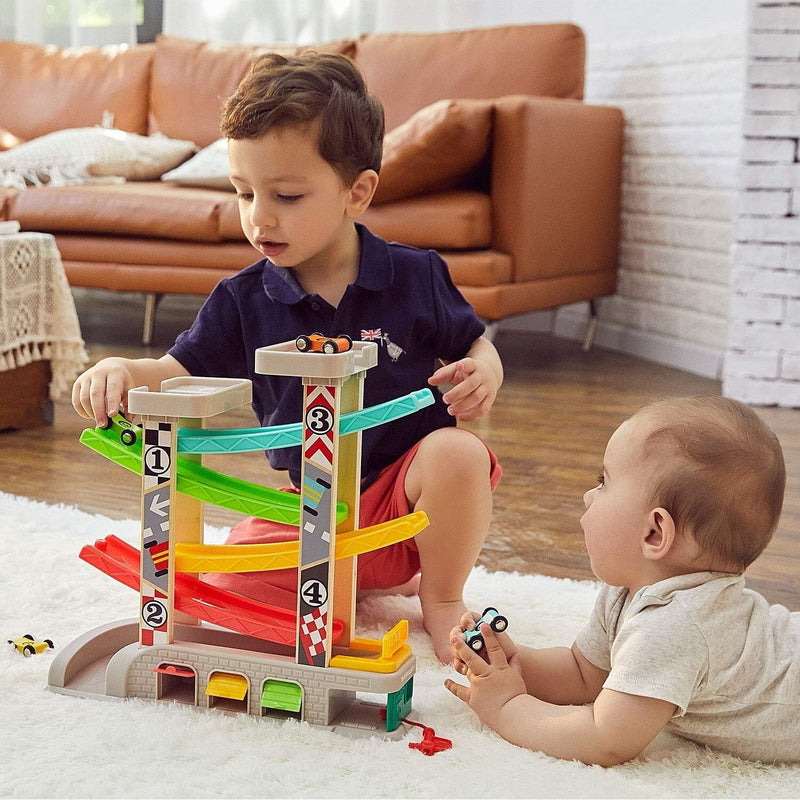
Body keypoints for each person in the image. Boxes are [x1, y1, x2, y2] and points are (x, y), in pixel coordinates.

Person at [71, 52, 503, 663]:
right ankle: (361, 581)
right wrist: (119, 370)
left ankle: (440, 595)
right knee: (217, 589)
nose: (259, 217)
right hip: (308, 513)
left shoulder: (415, 274)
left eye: (287, 195)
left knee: (458, 451)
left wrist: (485, 369)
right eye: (244, 192)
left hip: (406, 501)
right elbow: (175, 373)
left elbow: (476, 341)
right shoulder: (243, 298)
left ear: (358, 193)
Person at [446, 395, 800, 765]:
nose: (587, 496)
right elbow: (586, 673)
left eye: (603, 483)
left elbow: (606, 739)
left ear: (654, 534)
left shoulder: (674, 627)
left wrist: (507, 706)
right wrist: (513, 664)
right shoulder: (627, 589)